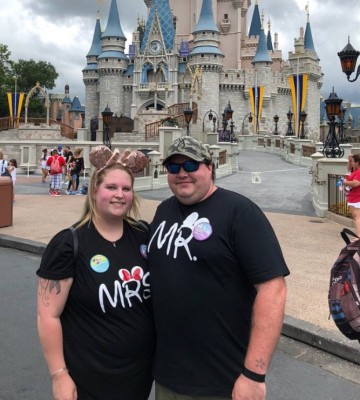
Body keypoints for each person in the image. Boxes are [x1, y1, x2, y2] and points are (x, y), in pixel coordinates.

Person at [147, 136, 290, 400]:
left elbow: (273, 290)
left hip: (222, 382)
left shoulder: (240, 213)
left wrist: (254, 374)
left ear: (210, 167)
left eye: (191, 165)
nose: (182, 174)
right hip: (168, 378)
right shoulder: (163, 212)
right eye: (174, 167)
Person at [36, 145, 155, 400]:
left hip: (138, 376)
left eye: (126, 188)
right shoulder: (68, 243)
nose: (119, 195)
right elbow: (48, 315)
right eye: (111, 187)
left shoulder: (144, 235)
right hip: (88, 378)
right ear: (94, 190)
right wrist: (59, 375)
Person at [343, 153, 360, 236]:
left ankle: (359, 236)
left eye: (353, 161)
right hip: (353, 197)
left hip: (357, 198)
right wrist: (349, 161)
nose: (351, 163)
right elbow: (348, 169)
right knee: (356, 216)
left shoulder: (359, 171)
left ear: (357, 162)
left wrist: (346, 182)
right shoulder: (355, 170)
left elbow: (356, 183)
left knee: (357, 217)